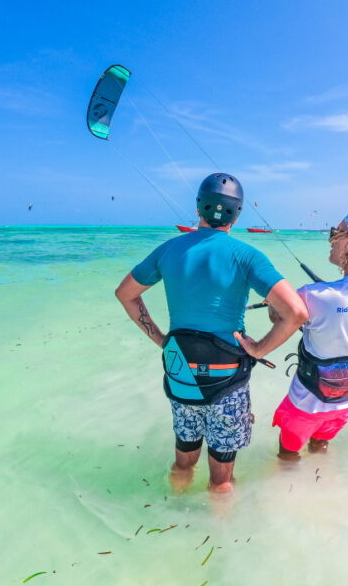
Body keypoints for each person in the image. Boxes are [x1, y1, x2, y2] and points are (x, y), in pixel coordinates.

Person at [115, 173, 308, 493]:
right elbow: (296, 313)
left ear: (198, 207)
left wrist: (161, 340)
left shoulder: (168, 250)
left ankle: (172, 512)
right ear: (237, 213)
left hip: (180, 369)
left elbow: (126, 294)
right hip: (226, 375)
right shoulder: (247, 255)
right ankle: (217, 534)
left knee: (183, 460)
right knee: (221, 480)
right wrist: (259, 349)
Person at [237, 200, 348, 459]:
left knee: (287, 459)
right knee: (320, 449)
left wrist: (265, 330)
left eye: (337, 233)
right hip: (345, 405)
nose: (331, 238)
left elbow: (277, 318)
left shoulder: (315, 296)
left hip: (305, 405)